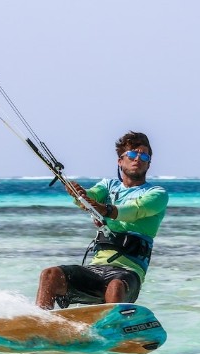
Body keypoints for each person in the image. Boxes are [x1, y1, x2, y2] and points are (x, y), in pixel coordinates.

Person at [35, 131, 168, 309]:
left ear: (148, 164)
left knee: (115, 285)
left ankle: (112, 327)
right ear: (120, 161)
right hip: (97, 269)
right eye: (132, 154)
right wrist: (79, 193)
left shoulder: (157, 194)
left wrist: (104, 209)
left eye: (144, 155)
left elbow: (134, 211)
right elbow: (90, 197)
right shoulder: (108, 186)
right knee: (50, 275)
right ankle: (41, 324)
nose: (138, 158)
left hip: (128, 274)